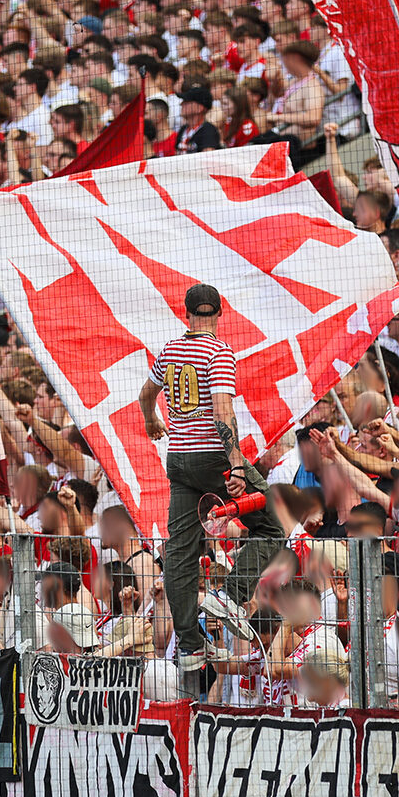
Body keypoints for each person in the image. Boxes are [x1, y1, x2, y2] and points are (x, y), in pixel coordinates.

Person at [139, 283, 282, 671]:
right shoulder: (219, 351)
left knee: (181, 553)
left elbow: (145, 393)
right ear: (220, 313)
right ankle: (231, 595)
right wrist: (235, 462)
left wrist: (152, 419)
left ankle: (189, 646)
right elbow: (222, 411)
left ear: (185, 314)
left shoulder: (170, 350)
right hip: (211, 457)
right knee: (271, 527)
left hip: (179, 461)